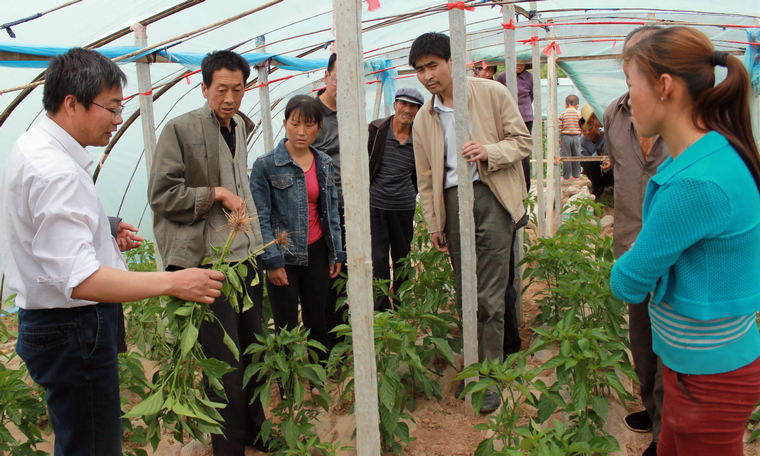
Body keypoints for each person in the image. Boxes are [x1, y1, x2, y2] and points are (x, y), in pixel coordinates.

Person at [0, 47, 224, 456]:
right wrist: (173, 281)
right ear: (72, 104)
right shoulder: (56, 172)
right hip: (72, 329)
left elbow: (41, 223)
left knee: (79, 437)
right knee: (94, 445)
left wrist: (102, 229)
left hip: (55, 325)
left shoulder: (34, 145)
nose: (119, 119)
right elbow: (81, 280)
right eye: (112, 107)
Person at [611, 26, 760, 456]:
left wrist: (639, 259)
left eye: (631, 84)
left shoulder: (695, 184)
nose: (628, 99)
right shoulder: (713, 152)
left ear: (664, 86)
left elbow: (626, 282)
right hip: (698, 367)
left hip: (709, 379)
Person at [148, 50, 268, 455]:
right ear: (204, 88)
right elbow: (162, 195)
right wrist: (214, 193)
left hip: (245, 259)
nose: (230, 98)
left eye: (238, 89)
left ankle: (256, 432)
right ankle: (228, 448)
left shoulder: (241, 127)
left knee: (253, 352)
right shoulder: (180, 129)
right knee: (223, 366)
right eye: (221, 89)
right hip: (209, 265)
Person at [409, 32, 532, 414]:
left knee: (492, 294)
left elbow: (522, 141)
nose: (427, 76)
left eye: (433, 66)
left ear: (452, 61)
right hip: (452, 201)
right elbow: (426, 177)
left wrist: (488, 150)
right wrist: (433, 223)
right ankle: (473, 363)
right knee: (467, 291)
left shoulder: (491, 93)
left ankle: (490, 375)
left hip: (490, 195)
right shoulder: (423, 118)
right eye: (419, 70)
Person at [603, 25, 669, 456]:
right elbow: (621, 174)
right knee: (642, 341)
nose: (631, 66)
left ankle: (666, 432)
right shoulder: (615, 113)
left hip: (675, 246)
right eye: (629, 58)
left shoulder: (688, 117)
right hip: (631, 240)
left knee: (672, 343)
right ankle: (652, 406)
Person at [249, 95, 345, 366]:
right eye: (295, 124)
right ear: (285, 124)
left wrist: (336, 253)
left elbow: (331, 211)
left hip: (318, 252)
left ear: (319, 128)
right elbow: (260, 217)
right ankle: (289, 380)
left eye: (309, 125)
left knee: (317, 319)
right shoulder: (266, 165)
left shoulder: (323, 162)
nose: (301, 132)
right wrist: (272, 261)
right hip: (284, 256)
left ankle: (319, 377)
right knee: (285, 325)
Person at [367, 88, 424, 311]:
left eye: (413, 106)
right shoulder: (377, 130)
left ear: (418, 111)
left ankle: (401, 303)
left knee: (402, 257)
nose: (407, 110)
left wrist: (412, 192)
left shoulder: (420, 137)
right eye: (404, 104)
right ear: (395, 105)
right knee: (378, 258)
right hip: (376, 204)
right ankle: (381, 309)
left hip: (403, 206)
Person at [313, 53, 347, 351]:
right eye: (338, 79)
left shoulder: (351, 111)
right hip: (321, 210)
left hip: (348, 207)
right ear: (326, 77)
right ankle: (326, 345)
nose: (343, 86)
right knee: (325, 278)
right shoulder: (311, 114)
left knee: (345, 273)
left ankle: (344, 339)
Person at [498, 62, 533, 189]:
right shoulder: (502, 76)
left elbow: (532, 95)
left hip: (525, 118)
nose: (518, 65)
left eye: (521, 63)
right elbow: (498, 95)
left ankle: (526, 185)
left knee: (523, 149)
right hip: (507, 117)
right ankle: (511, 182)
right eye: (516, 62)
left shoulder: (530, 77)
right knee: (508, 147)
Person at [577, 104, 614, 198]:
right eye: (584, 130)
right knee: (586, 162)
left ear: (596, 126)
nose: (587, 132)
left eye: (590, 128)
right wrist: (598, 154)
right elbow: (584, 158)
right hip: (597, 170)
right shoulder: (582, 140)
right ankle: (598, 187)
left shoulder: (607, 135)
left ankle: (614, 186)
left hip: (610, 169)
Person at [558, 94, 583, 180]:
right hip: (577, 137)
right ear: (577, 105)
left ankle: (566, 177)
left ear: (566, 105)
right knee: (576, 156)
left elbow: (559, 128)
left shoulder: (562, 114)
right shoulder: (579, 114)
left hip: (566, 137)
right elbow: (582, 127)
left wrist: (559, 138)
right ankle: (576, 176)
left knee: (566, 157)